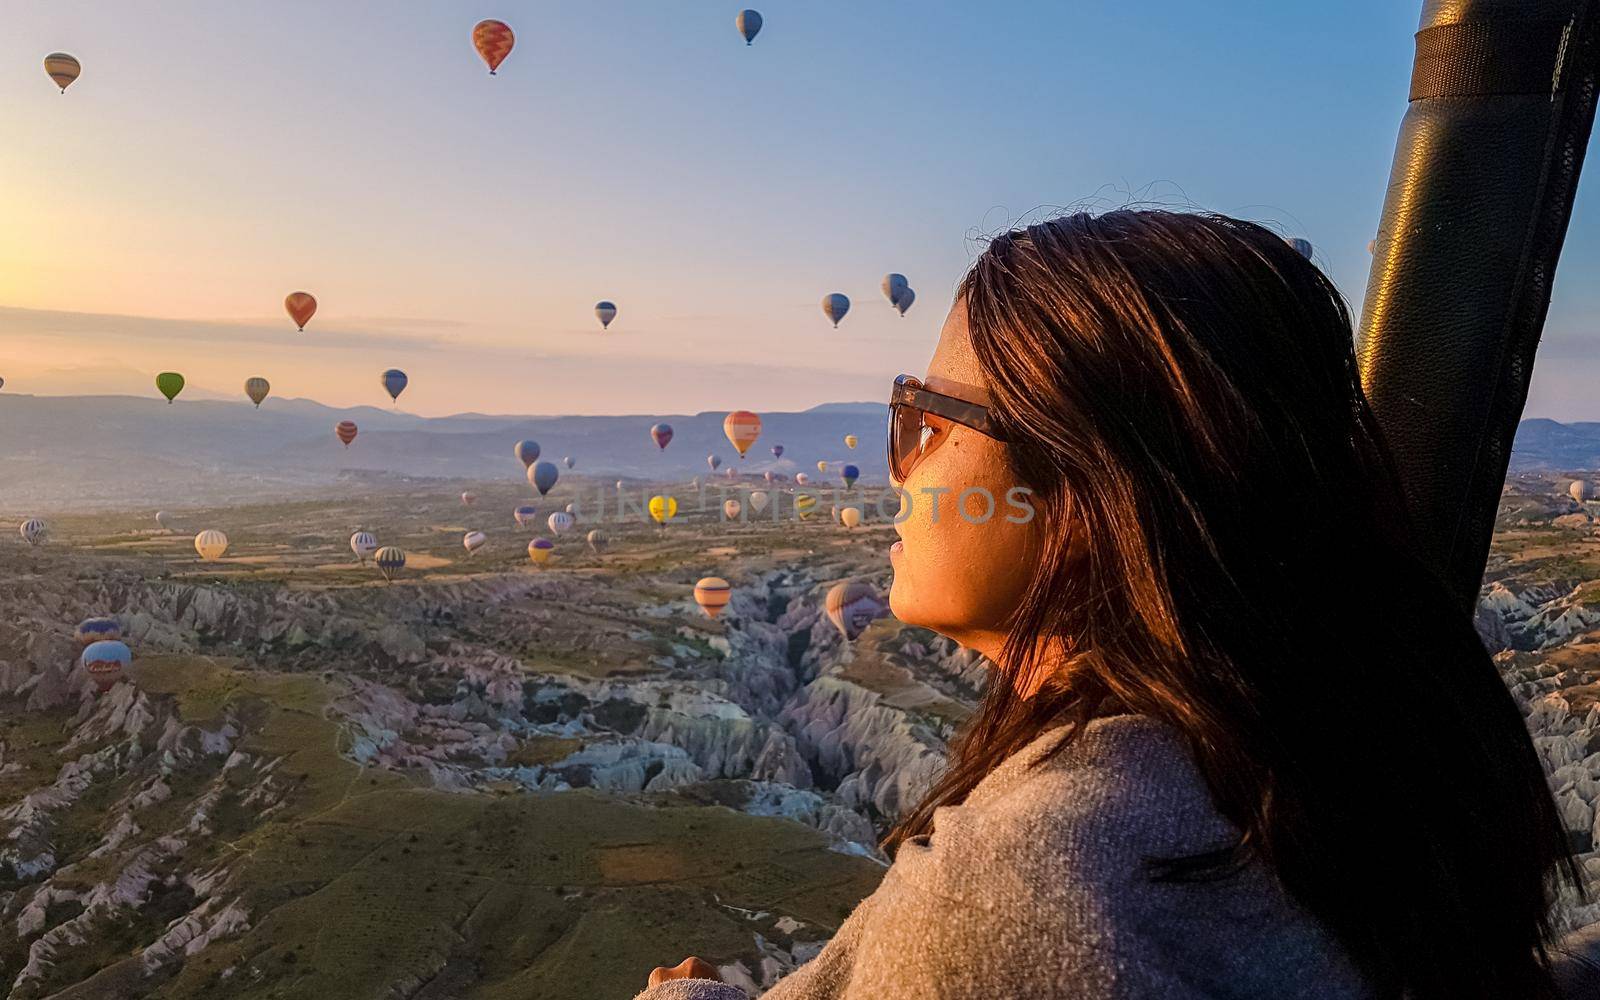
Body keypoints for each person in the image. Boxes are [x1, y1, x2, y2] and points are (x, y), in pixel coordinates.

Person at [633, 210, 1580, 999]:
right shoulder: (1324, 764)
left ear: (1085, 489)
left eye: (925, 416)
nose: (902, 467)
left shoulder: (1044, 878)